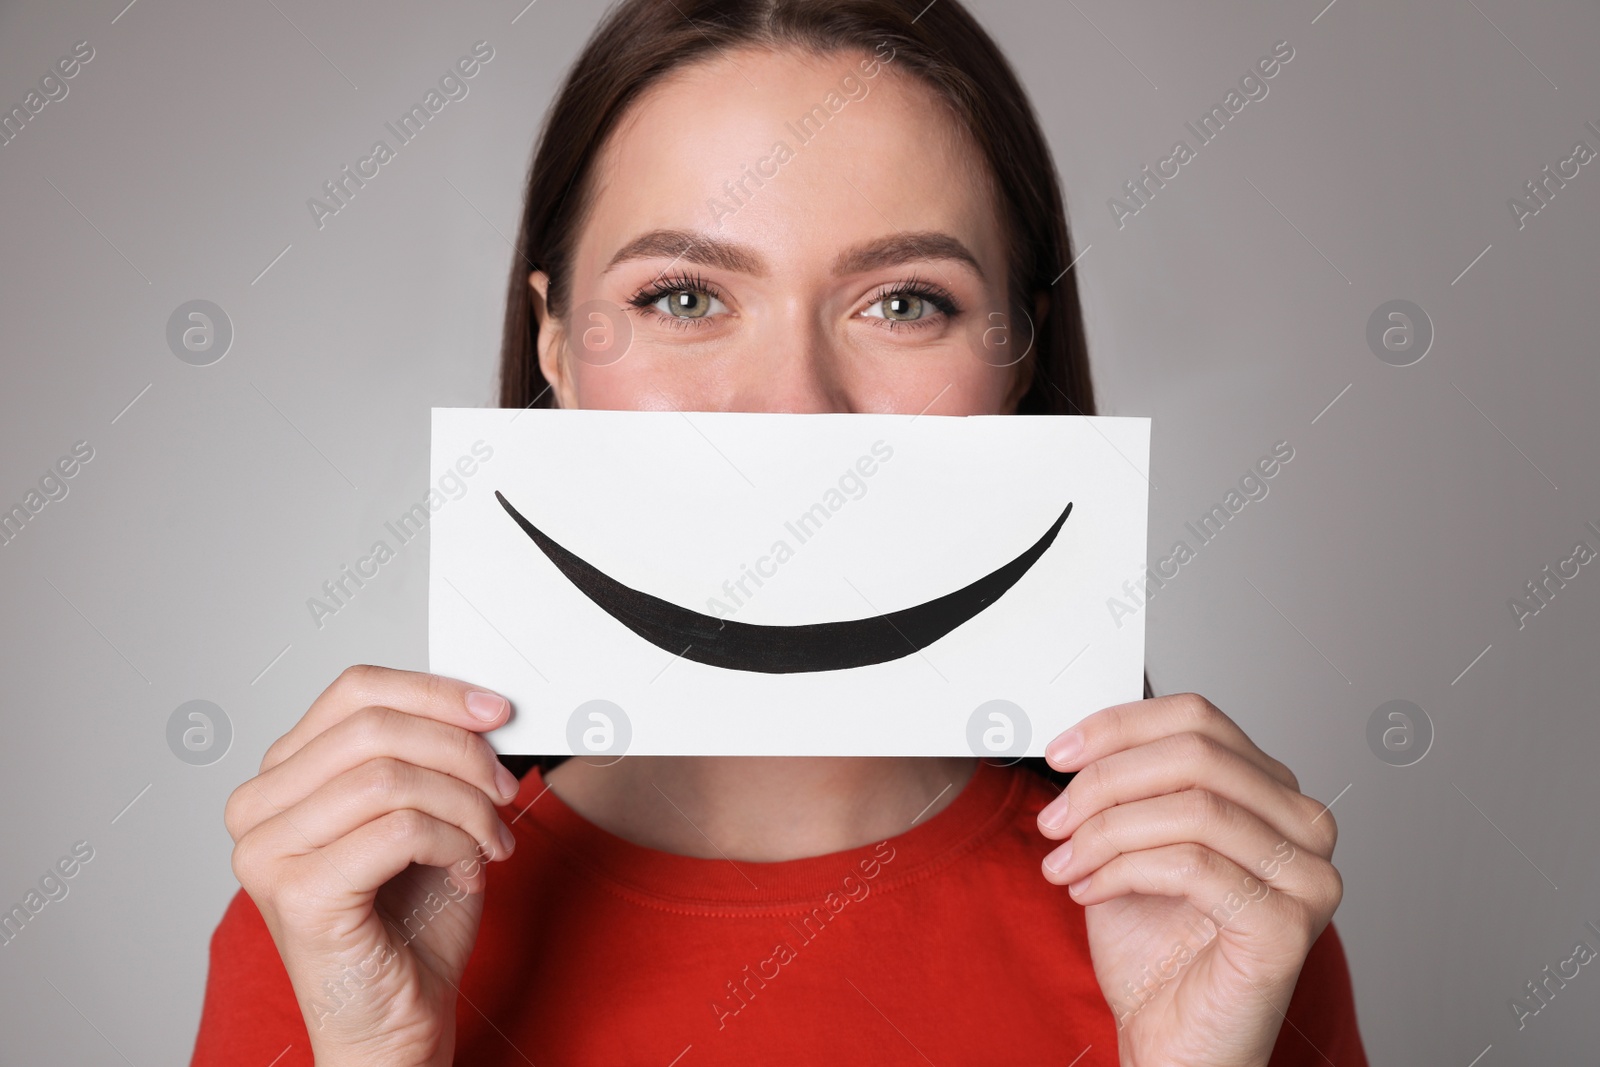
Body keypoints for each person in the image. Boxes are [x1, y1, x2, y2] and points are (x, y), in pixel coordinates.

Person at [192, 1, 1368, 1063]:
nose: (795, 403)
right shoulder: (343, 912)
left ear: (1017, 350)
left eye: (905, 300)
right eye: (684, 296)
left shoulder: (1213, 914)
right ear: (554, 344)